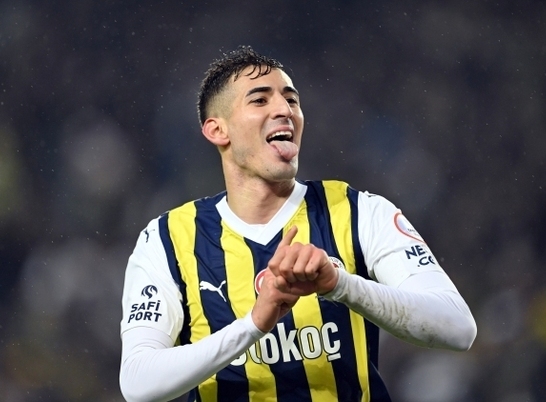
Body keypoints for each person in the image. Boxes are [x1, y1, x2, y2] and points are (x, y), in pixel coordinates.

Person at [119, 45, 477, 402]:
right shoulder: (168, 239)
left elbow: (458, 328)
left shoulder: (357, 211)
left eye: (291, 100)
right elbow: (138, 383)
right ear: (217, 130)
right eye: (260, 100)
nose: (284, 110)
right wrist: (253, 324)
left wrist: (340, 284)